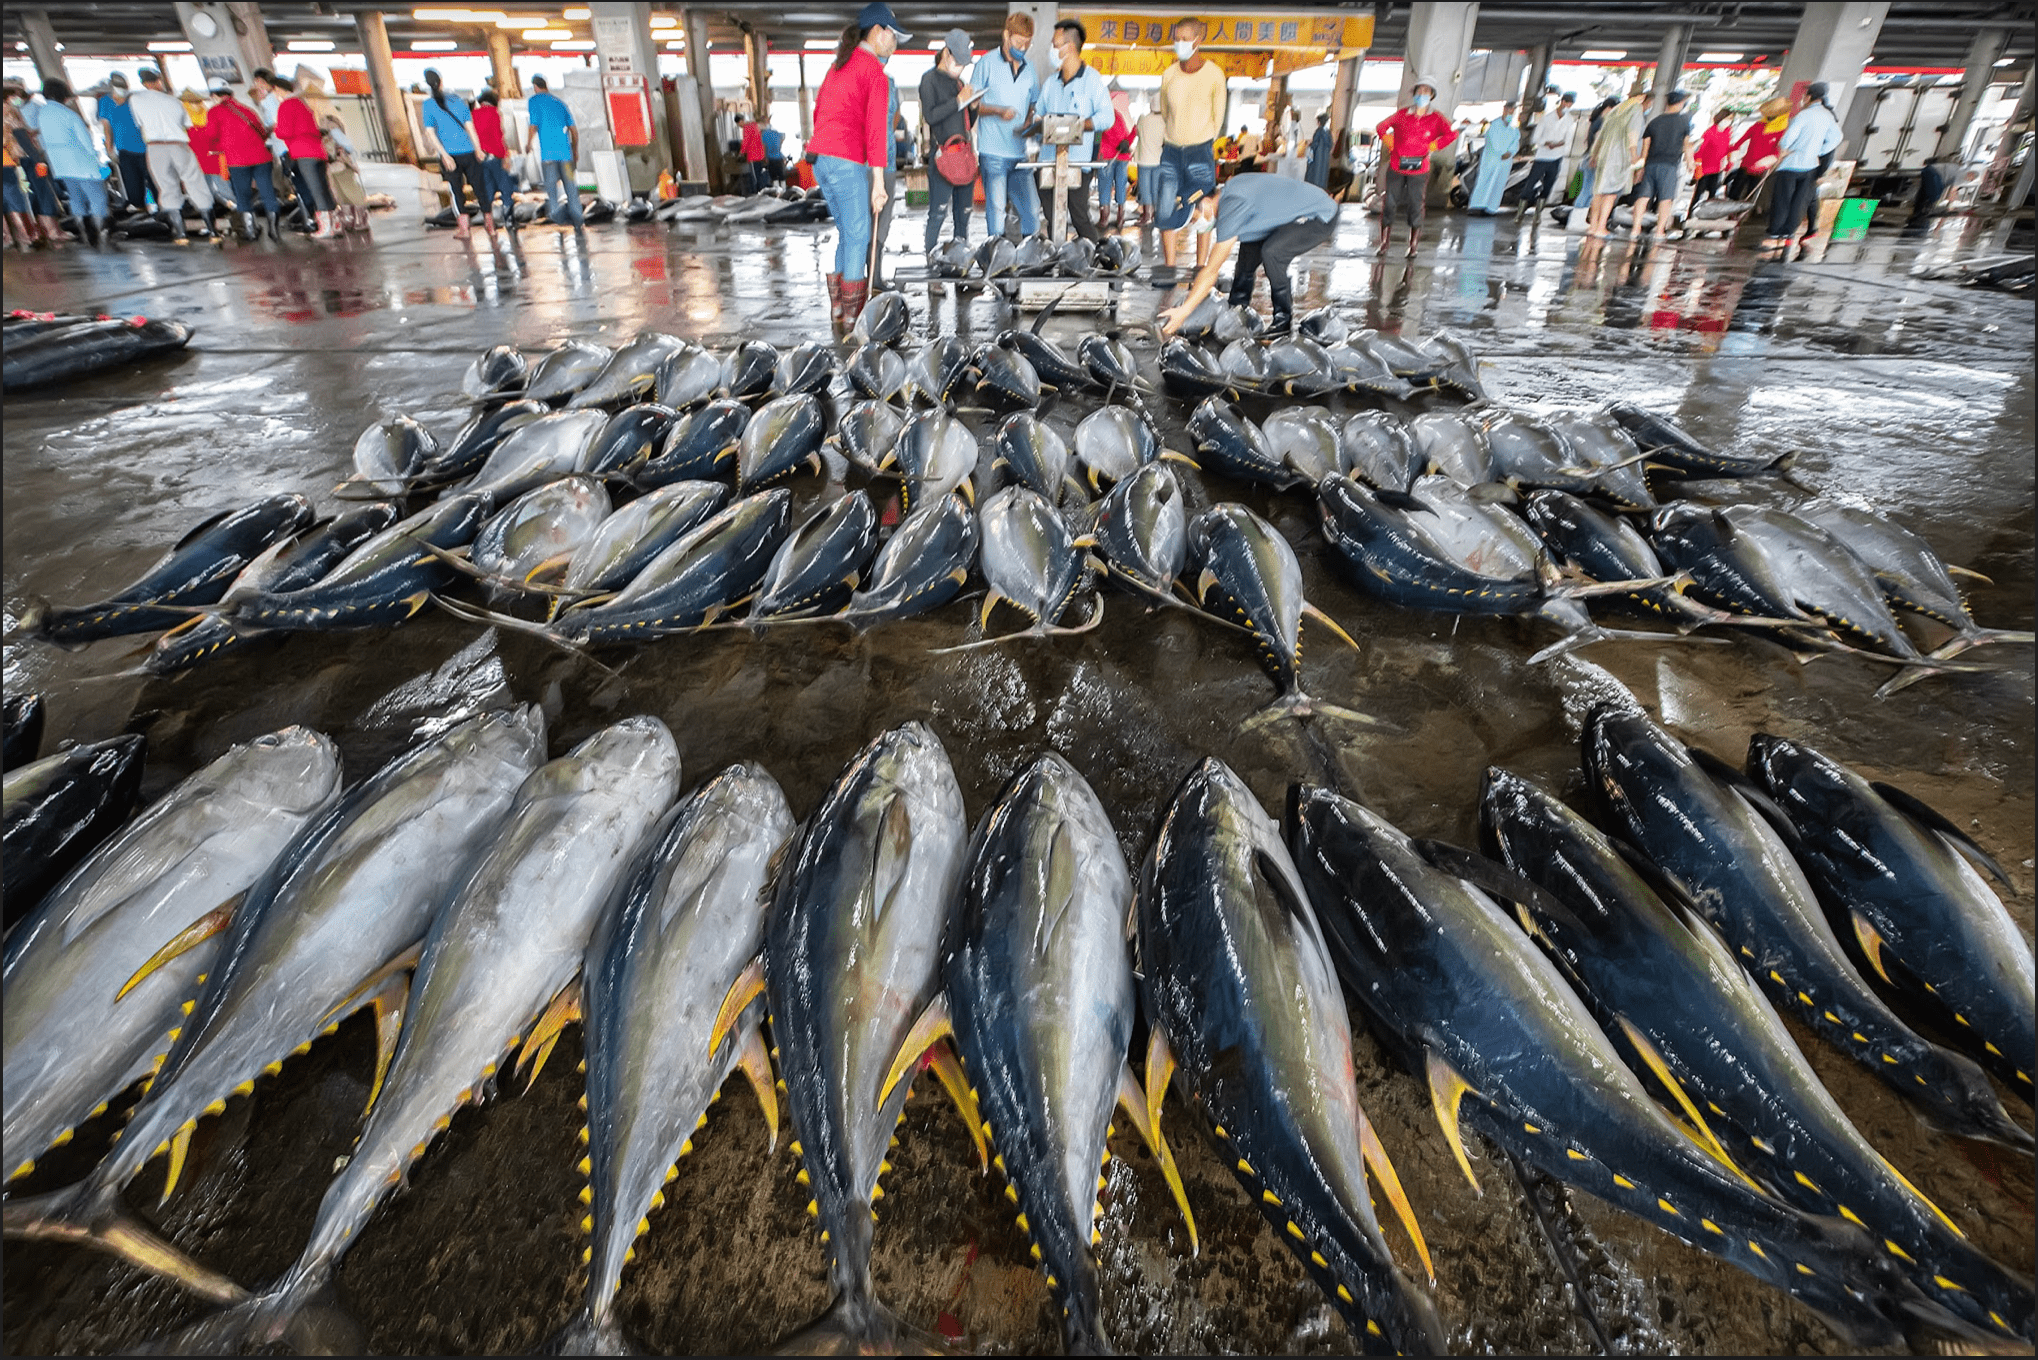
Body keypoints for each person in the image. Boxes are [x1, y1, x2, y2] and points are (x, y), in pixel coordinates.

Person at [809, 4, 908, 332]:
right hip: (846, 160)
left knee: (847, 234)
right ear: (878, 32)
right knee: (859, 236)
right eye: (893, 35)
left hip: (822, 160)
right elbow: (878, 131)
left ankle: (839, 310)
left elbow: (819, 112)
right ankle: (854, 322)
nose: (895, 42)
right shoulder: (874, 73)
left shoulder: (838, 66)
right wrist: (878, 183)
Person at [1159, 172, 1338, 340]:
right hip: (1290, 216)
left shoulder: (1233, 204)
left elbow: (1211, 271)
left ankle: (1283, 321)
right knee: (1249, 247)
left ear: (1206, 202)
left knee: (1273, 252)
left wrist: (1185, 310)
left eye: (1192, 219)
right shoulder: (1228, 194)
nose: (1193, 225)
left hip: (1319, 216)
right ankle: (1237, 308)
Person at [1151, 17, 1227, 286]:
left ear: (1198, 40)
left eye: (1185, 38)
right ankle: (1169, 267)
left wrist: (1201, 140)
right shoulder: (1169, 75)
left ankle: (1200, 266)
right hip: (1171, 150)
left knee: (1203, 205)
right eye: (1177, 37)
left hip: (1200, 151)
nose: (1179, 43)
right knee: (1166, 205)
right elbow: (1166, 111)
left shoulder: (1214, 75)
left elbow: (1218, 118)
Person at [1036, 18, 1112, 243]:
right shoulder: (1051, 82)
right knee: (1052, 217)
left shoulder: (1092, 81)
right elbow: (1038, 114)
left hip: (1078, 163)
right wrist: (1037, 123)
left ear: (1068, 47)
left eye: (1055, 44)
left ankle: (1097, 259)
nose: (1052, 49)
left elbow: (1106, 117)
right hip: (1047, 161)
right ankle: (1056, 261)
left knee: (1079, 215)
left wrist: (1076, 126)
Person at [972, 11, 1042, 244]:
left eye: (1027, 44)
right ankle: (997, 261)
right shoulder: (986, 64)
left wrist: (1029, 120)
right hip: (993, 154)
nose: (1022, 48)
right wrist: (998, 110)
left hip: (1019, 153)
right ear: (1006, 35)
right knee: (997, 212)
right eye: (1018, 42)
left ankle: (1029, 258)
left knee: (1032, 212)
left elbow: (1034, 103)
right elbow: (972, 105)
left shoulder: (1029, 69)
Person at [130, 68, 216, 243]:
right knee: (194, 182)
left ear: (143, 83)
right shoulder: (174, 101)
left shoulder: (135, 99)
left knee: (167, 187)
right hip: (179, 145)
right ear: (158, 81)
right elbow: (186, 124)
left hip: (155, 147)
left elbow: (139, 123)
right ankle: (213, 231)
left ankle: (180, 234)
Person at [1374, 74, 1455, 256]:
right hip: (1397, 166)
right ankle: (1384, 243)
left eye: (1426, 91)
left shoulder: (1436, 118)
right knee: (1389, 204)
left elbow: (1451, 134)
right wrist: (1391, 143)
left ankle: (1413, 246)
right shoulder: (1402, 115)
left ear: (1432, 95)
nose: (1422, 94)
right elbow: (1381, 127)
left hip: (1419, 169)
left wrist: (1434, 145)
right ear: (1414, 93)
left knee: (1415, 204)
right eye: (1420, 90)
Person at [918, 28, 976, 252]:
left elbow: (966, 121)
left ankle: (961, 259)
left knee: (963, 215)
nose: (960, 68)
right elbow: (931, 116)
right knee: (938, 213)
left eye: (964, 64)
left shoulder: (959, 83)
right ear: (946, 54)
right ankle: (932, 262)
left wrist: (972, 107)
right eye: (958, 61)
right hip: (943, 156)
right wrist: (957, 101)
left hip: (964, 155)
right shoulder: (929, 80)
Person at [1765, 82, 1841, 250]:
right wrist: (1818, 151)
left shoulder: (1803, 115)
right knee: (1799, 202)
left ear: (1809, 97)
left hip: (1791, 165)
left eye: (1804, 96)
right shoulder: (1828, 116)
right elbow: (1836, 138)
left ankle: (1775, 233)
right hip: (1811, 166)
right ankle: (1789, 235)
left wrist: (1783, 149)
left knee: (1783, 200)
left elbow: (1787, 139)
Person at [418, 68, 489, 245]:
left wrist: (444, 155)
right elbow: (470, 127)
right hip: (469, 152)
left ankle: (464, 230)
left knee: (457, 192)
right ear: (441, 81)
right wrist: (478, 149)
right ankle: (491, 226)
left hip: (450, 156)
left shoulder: (428, 105)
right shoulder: (458, 101)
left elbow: (430, 133)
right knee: (480, 188)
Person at [37, 79, 109, 247]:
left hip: (60, 165)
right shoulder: (68, 114)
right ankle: (101, 233)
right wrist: (97, 158)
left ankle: (84, 232)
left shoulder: (42, 113)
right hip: (82, 164)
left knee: (76, 198)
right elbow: (86, 141)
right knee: (97, 198)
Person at [205, 80, 276, 240]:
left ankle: (251, 231)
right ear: (232, 94)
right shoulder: (247, 109)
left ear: (214, 95)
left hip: (237, 160)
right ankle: (274, 231)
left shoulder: (214, 112)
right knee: (268, 193)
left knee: (243, 195)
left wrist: (218, 147)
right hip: (261, 157)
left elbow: (211, 135)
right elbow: (262, 133)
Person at [274, 72, 336, 239]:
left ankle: (325, 228)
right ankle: (335, 225)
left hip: (303, 153)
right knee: (324, 189)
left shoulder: (286, 105)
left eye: (275, 91)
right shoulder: (303, 104)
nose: (275, 95)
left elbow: (285, 131)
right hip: (318, 151)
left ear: (278, 89)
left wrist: (275, 128)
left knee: (315, 190)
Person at [4, 81, 64, 246]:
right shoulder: (10, 110)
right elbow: (21, 137)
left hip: (10, 162)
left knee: (21, 197)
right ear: (9, 95)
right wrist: (38, 159)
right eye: (15, 94)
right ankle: (51, 231)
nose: (18, 98)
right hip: (25, 158)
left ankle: (24, 235)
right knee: (42, 191)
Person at [1582, 88, 1645, 240]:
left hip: (1601, 155)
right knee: (1609, 193)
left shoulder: (1614, 111)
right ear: (1642, 97)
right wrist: (1634, 155)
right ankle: (1601, 226)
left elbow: (1599, 136)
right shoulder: (1635, 109)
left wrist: (1594, 153)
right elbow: (1633, 133)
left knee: (1597, 192)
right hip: (1618, 158)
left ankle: (1593, 226)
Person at [523, 75, 583, 229]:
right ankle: (578, 220)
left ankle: (559, 218)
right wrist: (575, 150)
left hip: (549, 157)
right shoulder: (560, 103)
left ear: (535, 87)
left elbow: (533, 125)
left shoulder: (534, 101)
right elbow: (574, 131)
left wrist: (528, 143)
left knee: (551, 189)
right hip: (567, 157)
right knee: (571, 187)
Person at [1633, 89, 1692, 240]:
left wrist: (1641, 168)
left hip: (1651, 164)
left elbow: (1645, 148)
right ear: (1680, 103)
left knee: (1644, 196)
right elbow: (1687, 144)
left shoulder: (1654, 122)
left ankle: (1635, 228)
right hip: (1669, 165)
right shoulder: (1683, 122)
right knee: (1665, 199)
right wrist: (1690, 162)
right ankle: (1659, 231)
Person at [95, 72, 152, 212]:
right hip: (124, 149)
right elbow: (106, 128)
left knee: (153, 181)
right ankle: (140, 209)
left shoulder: (134, 99)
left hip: (147, 147)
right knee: (132, 184)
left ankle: (163, 209)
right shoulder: (105, 102)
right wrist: (109, 150)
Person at [469, 88, 517, 229]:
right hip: (495, 157)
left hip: (480, 158)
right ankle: (509, 221)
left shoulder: (473, 115)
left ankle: (488, 222)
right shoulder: (494, 113)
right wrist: (505, 156)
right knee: (505, 189)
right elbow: (498, 137)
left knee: (488, 190)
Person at [1520, 91, 1575, 209]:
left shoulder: (1569, 120)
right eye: (1567, 104)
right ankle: (1521, 209)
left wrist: (1559, 145)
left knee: (1548, 186)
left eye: (1570, 105)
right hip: (1542, 156)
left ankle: (1538, 212)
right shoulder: (1547, 118)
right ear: (1563, 102)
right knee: (1530, 184)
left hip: (1557, 157)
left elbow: (1569, 139)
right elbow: (1535, 138)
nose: (1568, 107)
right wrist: (1546, 143)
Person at [1727, 96, 1788, 200]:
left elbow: (1778, 151)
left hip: (1761, 170)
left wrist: (1771, 161)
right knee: (1734, 192)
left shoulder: (1782, 133)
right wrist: (1732, 151)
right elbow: (1741, 141)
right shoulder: (1757, 126)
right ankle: (1730, 212)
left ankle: (1741, 215)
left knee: (1751, 196)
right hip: (1746, 164)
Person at [1467, 99, 1519, 215]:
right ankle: (1476, 207)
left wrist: (1510, 153)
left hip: (1505, 162)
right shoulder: (1495, 125)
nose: (1511, 112)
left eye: (1513, 111)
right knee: (1485, 181)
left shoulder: (1513, 129)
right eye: (1509, 110)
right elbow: (1495, 143)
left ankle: (1491, 209)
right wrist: (1502, 153)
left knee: (1498, 185)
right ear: (1504, 110)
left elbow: (1515, 143)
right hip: (1492, 160)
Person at [1098, 88, 1133, 226]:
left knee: (1105, 186)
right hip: (1122, 156)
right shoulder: (1122, 115)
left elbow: (1104, 133)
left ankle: (1104, 218)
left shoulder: (1103, 115)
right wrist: (1125, 143)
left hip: (1106, 156)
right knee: (1120, 185)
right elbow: (1127, 134)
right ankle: (1120, 217)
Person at [1689, 106, 1734, 209]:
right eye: (1728, 118)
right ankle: (1691, 213)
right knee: (1699, 193)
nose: (1729, 122)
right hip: (1705, 168)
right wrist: (1698, 167)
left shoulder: (1727, 133)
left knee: (1713, 193)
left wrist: (1729, 162)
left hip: (1717, 168)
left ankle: (1708, 213)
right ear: (1721, 118)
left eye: (1731, 119)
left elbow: (1727, 148)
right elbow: (1700, 150)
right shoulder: (1710, 132)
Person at [1134, 102, 1164, 223]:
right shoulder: (1165, 122)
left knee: (1145, 188)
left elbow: (1137, 133)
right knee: (1156, 188)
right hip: (1158, 159)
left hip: (1144, 159)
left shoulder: (1143, 119)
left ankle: (1146, 215)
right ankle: (1156, 215)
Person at [741, 115, 767, 193]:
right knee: (759, 174)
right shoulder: (759, 128)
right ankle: (761, 190)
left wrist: (741, 152)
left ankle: (756, 192)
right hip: (761, 155)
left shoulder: (749, 127)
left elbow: (746, 141)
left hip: (754, 156)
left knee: (754, 176)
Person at [1305, 112, 1332, 189]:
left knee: (1314, 177)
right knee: (1322, 175)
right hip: (1325, 158)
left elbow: (1314, 145)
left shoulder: (1319, 131)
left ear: (1319, 122)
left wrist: (1309, 145)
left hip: (1317, 158)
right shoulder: (1328, 132)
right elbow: (1330, 145)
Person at [760, 114, 787, 185]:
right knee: (782, 176)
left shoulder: (764, 134)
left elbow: (764, 146)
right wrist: (778, 147)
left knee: (774, 176)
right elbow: (782, 138)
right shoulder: (776, 132)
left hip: (770, 158)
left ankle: (777, 191)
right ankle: (783, 191)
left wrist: (765, 157)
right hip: (779, 157)